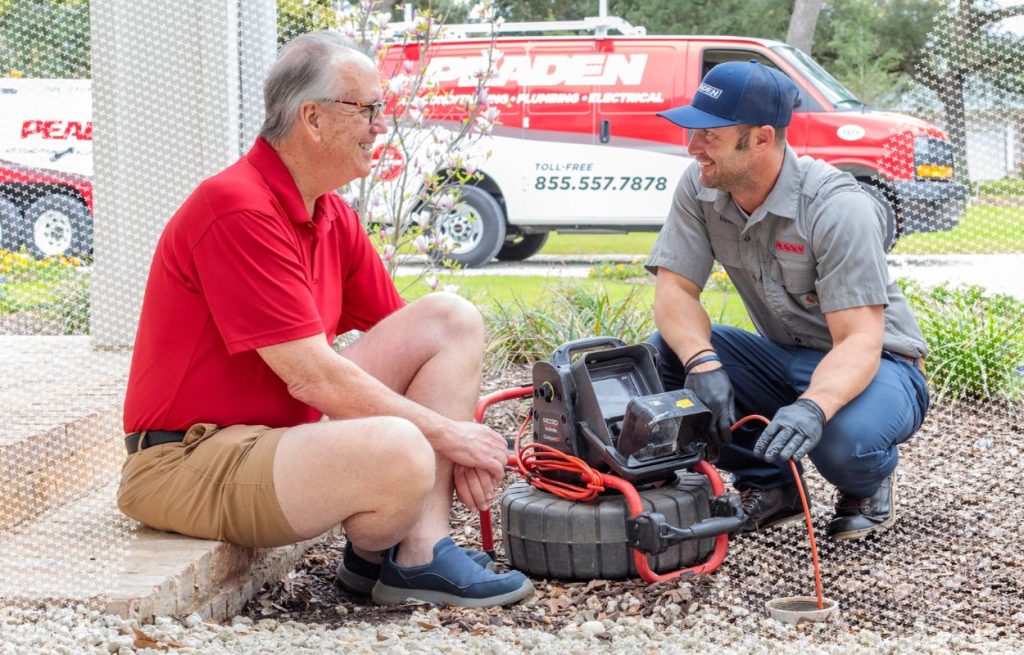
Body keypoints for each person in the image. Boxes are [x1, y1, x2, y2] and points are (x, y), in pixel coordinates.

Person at [118, 31, 533, 608]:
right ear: (312, 119)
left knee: (450, 319)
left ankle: (415, 552)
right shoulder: (236, 206)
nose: (380, 127)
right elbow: (311, 376)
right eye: (366, 110)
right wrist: (450, 437)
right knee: (402, 446)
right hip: (186, 459)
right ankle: (388, 556)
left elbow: (414, 343)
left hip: (274, 439)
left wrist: (456, 432)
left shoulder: (329, 212)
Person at [645, 60, 930, 541]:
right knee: (667, 354)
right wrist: (702, 362)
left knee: (845, 445)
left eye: (708, 135)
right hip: (784, 356)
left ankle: (867, 483)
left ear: (760, 138)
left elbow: (860, 338)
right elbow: (674, 288)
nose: (692, 147)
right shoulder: (700, 185)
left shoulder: (837, 207)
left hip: (879, 364)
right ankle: (772, 486)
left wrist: (813, 407)